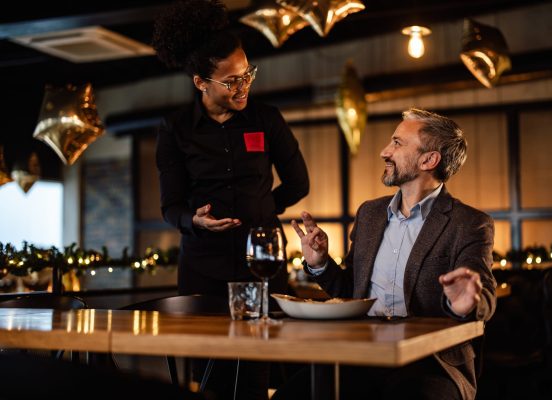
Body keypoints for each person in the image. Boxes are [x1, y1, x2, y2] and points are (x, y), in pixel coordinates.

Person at [152, 0, 309, 398]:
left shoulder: (266, 119)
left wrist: (262, 210)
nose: (244, 87)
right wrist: (195, 222)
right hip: (203, 266)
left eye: (247, 74)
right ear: (201, 83)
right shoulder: (175, 129)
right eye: (231, 81)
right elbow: (171, 206)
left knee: (257, 366)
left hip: (262, 262)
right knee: (209, 369)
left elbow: (298, 183)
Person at [285, 108, 496, 400]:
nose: (385, 151)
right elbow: (351, 293)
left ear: (429, 159)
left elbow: (484, 296)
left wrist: (466, 304)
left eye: (397, 143)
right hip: (362, 354)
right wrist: (320, 263)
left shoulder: (470, 223)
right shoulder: (370, 213)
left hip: (430, 362)